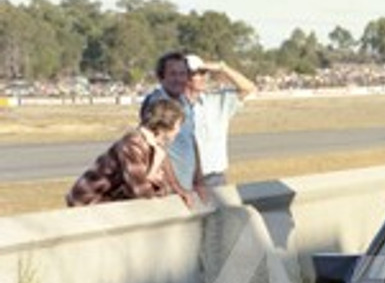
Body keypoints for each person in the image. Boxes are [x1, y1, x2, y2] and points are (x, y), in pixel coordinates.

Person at [66, 98, 186, 206]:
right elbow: (142, 194)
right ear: (164, 126)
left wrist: (152, 175)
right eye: (178, 125)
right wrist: (152, 175)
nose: (178, 131)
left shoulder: (155, 147)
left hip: (110, 200)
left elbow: (165, 189)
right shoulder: (132, 145)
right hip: (88, 200)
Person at [141, 51, 209, 206]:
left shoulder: (184, 100)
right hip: (168, 189)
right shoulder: (157, 103)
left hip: (187, 185)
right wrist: (176, 187)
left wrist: (199, 179)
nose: (178, 79)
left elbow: (191, 139)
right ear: (161, 77)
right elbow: (157, 147)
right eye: (172, 74)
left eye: (182, 74)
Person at [185, 54, 256, 186]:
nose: (202, 77)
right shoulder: (173, 106)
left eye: (204, 73)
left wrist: (222, 68)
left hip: (214, 177)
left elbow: (248, 88)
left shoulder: (215, 101)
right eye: (196, 73)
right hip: (185, 179)